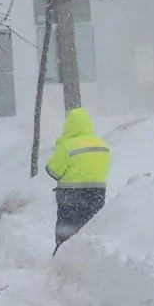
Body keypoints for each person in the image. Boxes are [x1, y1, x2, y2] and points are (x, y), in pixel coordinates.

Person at [44, 107, 111, 251]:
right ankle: (87, 255)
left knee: (66, 227)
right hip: (97, 193)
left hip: (70, 193)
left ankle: (62, 254)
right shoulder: (102, 145)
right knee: (90, 226)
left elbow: (52, 170)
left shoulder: (67, 146)